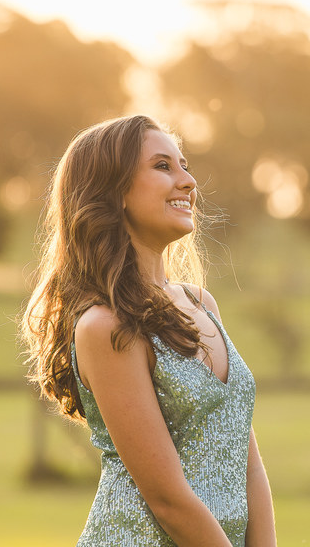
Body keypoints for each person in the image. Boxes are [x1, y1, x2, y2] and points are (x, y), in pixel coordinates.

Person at [21, 114, 276, 547]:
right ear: (113, 192)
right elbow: (167, 499)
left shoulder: (201, 305)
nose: (188, 181)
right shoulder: (105, 327)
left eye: (184, 164)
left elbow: (247, 461)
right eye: (163, 167)